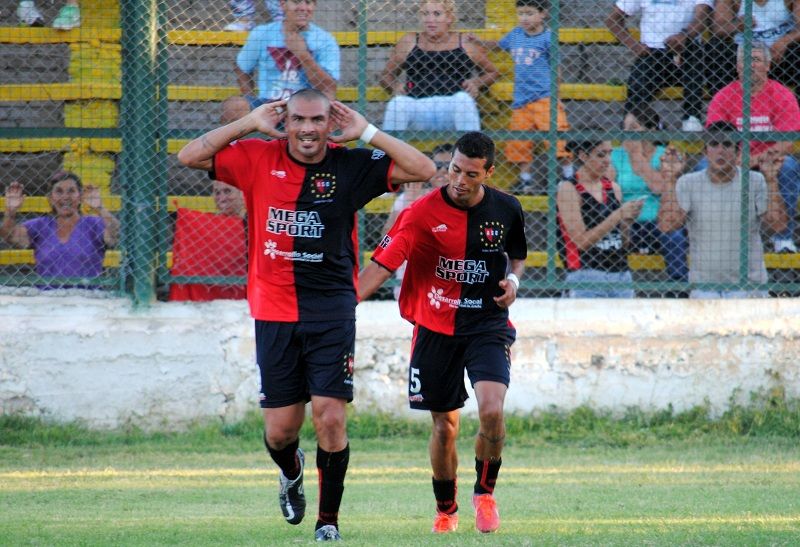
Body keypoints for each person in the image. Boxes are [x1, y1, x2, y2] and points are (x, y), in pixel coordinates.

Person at [176, 88, 435, 542]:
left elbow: (424, 169)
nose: (308, 129)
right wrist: (249, 123)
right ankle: (290, 470)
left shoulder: (349, 165)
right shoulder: (258, 156)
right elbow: (189, 156)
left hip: (332, 310)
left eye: (318, 120)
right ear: (286, 121)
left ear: (331, 123)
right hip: (273, 310)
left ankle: (327, 521)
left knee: (331, 418)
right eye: (299, 119)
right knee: (280, 433)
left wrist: (367, 132)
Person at [357, 132, 527, 534]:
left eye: (471, 174)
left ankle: (485, 493)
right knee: (445, 426)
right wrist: (344, 305)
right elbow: (380, 266)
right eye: (454, 170)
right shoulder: (419, 213)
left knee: (492, 411)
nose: (460, 180)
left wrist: (514, 283)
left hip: (487, 324)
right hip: (435, 327)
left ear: (489, 173)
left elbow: (517, 257)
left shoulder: (507, 208)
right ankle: (446, 509)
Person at [658, 121, 788, 298]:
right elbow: (667, 225)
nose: (720, 151)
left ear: (737, 152)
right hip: (704, 287)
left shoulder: (755, 180)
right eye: (714, 144)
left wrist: (771, 179)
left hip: (749, 285)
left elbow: (778, 225)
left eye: (727, 144)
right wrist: (669, 178)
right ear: (705, 151)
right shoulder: (687, 182)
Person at [705, 41, 800, 252]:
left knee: (789, 167)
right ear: (737, 66)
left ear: (768, 65)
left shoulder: (783, 95)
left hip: (769, 161)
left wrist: (753, 159)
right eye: (744, 60)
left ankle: (783, 239)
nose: (750, 65)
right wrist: (734, 159)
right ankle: (714, 234)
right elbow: (715, 137)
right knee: (703, 166)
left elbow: (786, 142)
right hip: (732, 159)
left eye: (755, 60)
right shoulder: (723, 96)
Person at [471, 0, 571, 191]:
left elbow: (556, 69)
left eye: (529, 13)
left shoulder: (548, 38)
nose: (524, 18)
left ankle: (568, 175)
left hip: (544, 98)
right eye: (521, 13)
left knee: (557, 140)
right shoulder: (516, 34)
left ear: (543, 14)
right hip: (521, 100)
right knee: (519, 143)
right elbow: (499, 45)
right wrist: (479, 41)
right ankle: (526, 181)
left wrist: (557, 97)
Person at [379, 0, 499, 132]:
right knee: (397, 104)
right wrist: (395, 86)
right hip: (417, 105)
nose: (430, 20)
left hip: (453, 106)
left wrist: (476, 83)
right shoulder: (409, 41)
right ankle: (388, 146)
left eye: (437, 14)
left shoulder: (465, 42)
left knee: (464, 100)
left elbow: (492, 72)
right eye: (425, 14)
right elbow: (386, 75)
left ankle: (472, 145)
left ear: (449, 18)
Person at [608, 104, 689, 281]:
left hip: (658, 222)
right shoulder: (615, 155)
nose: (627, 133)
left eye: (633, 128)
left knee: (675, 236)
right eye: (625, 128)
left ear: (651, 130)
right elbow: (607, 191)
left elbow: (659, 188)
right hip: (627, 223)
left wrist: (637, 158)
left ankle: (678, 285)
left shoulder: (665, 155)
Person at [605, 0, 713, 132]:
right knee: (638, 84)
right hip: (652, 52)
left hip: (687, 50)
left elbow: (702, 16)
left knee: (695, 56)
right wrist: (634, 45)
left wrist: (685, 36)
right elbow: (613, 20)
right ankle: (633, 125)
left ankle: (691, 118)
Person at [556, 140, 644, 298]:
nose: (608, 160)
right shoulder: (569, 189)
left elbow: (623, 243)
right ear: (583, 156)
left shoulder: (613, 188)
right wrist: (617, 215)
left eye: (610, 153)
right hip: (586, 274)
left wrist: (627, 221)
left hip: (621, 273)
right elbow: (581, 242)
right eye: (601, 155)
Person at [1, 171, 119, 286]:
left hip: (86, 295)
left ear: (80, 197)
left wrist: (100, 207)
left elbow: (116, 234)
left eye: (71, 191)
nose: (65, 197)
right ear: (51, 198)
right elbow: (11, 237)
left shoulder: (93, 223)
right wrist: (10, 211)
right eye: (59, 191)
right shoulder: (40, 225)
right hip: (48, 296)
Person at [235, 0, 340, 106]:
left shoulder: (325, 40)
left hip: (307, 108)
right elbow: (242, 68)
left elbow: (328, 88)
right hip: (268, 105)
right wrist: (250, 99)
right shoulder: (262, 33)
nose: (303, 8)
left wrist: (303, 55)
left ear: (314, 6)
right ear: (283, 4)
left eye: (308, 2)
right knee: (235, 105)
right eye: (296, 2)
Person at [383, 143, 453, 299]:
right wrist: (409, 204)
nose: (442, 171)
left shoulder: (463, 199)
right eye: (438, 165)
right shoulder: (409, 195)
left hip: (448, 279)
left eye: (448, 166)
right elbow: (386, 237)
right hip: (411, 279)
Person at [709, 0, 800, 96]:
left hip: (779, 52)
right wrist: (737, 25)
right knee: (715, 49)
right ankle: (723, 101)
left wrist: (784, 41)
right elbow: (718, 28)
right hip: (743, 51)